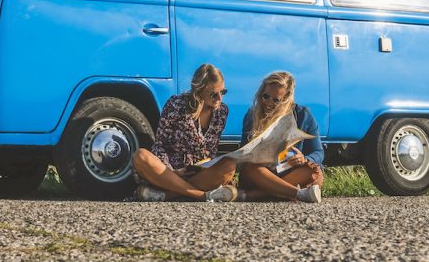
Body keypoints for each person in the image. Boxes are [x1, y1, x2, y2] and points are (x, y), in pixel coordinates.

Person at [131, 64, 238, 202]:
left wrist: (207, 165)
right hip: (168, 172)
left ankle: (167, 196)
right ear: (199, 90)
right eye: (214, 94)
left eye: (222, 92)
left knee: (230, 164)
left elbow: (211, 150)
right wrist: (172, 171)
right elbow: (160, 145)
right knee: (141, 156)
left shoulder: (222, 112)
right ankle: (202, 196)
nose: (219, 99)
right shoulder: (176, 104)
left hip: (198, 173)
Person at [239, 71, 324, 203]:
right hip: (261, 173)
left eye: (276, 100)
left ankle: (253, 195)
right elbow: (242, 154)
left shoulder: (303, 115)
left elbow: (318, 152)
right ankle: (298, 194)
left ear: (287, 99)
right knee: (250, 168)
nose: (268, 102)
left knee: (314, 172)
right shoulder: (252, 115)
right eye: (265, 96)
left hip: (289, 170)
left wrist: (304, 158)